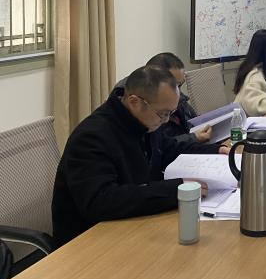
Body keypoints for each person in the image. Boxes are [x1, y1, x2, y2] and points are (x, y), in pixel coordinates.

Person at [52, 66, 230, 246]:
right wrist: (175, 190)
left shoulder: (142, 121)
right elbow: (101, 202)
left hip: (132, 226)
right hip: (90, 242)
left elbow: (168, 148)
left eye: (170, 113)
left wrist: (214, 151)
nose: (166, 120)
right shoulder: (92, 137)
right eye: (163, 114)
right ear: (134, 102)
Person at [113, 52, 212, 145]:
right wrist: (194, 137)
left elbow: (191, 121)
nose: (177, 91)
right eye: (174, 85)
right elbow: (162, 146)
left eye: (180, 85)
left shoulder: (174, 95)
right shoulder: (142, 105)